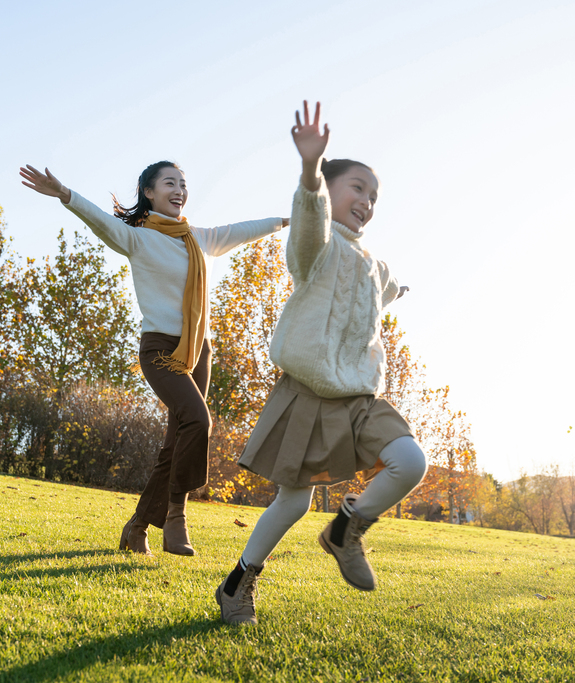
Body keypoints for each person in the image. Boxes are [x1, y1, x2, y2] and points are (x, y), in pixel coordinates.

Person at [215, 102, 428, 625]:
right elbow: (310, 220)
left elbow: (378, 294)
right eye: (357, 188)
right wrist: (311, 168)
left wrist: (397, 291)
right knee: (292, 502)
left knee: (412, 461)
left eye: (373, 196)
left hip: (360, 398)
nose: (367, 202)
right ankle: (238, 583)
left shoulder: (373, 263)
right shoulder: (318, 246)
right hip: (309, 393)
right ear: (332, 192)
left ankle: (345, 530)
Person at [20, 161, 286, 557]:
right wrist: (65, 194)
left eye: (183, 184)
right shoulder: (137, 238)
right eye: (169, 183)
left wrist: (288, 219)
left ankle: (138, 526)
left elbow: (244, 229)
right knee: (198, 420)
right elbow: (98, 221)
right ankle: (176, 516)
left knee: (175, 443)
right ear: (149, 192)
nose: (179, 190)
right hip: (161, 350)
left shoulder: (200, 238)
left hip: (199, 351)